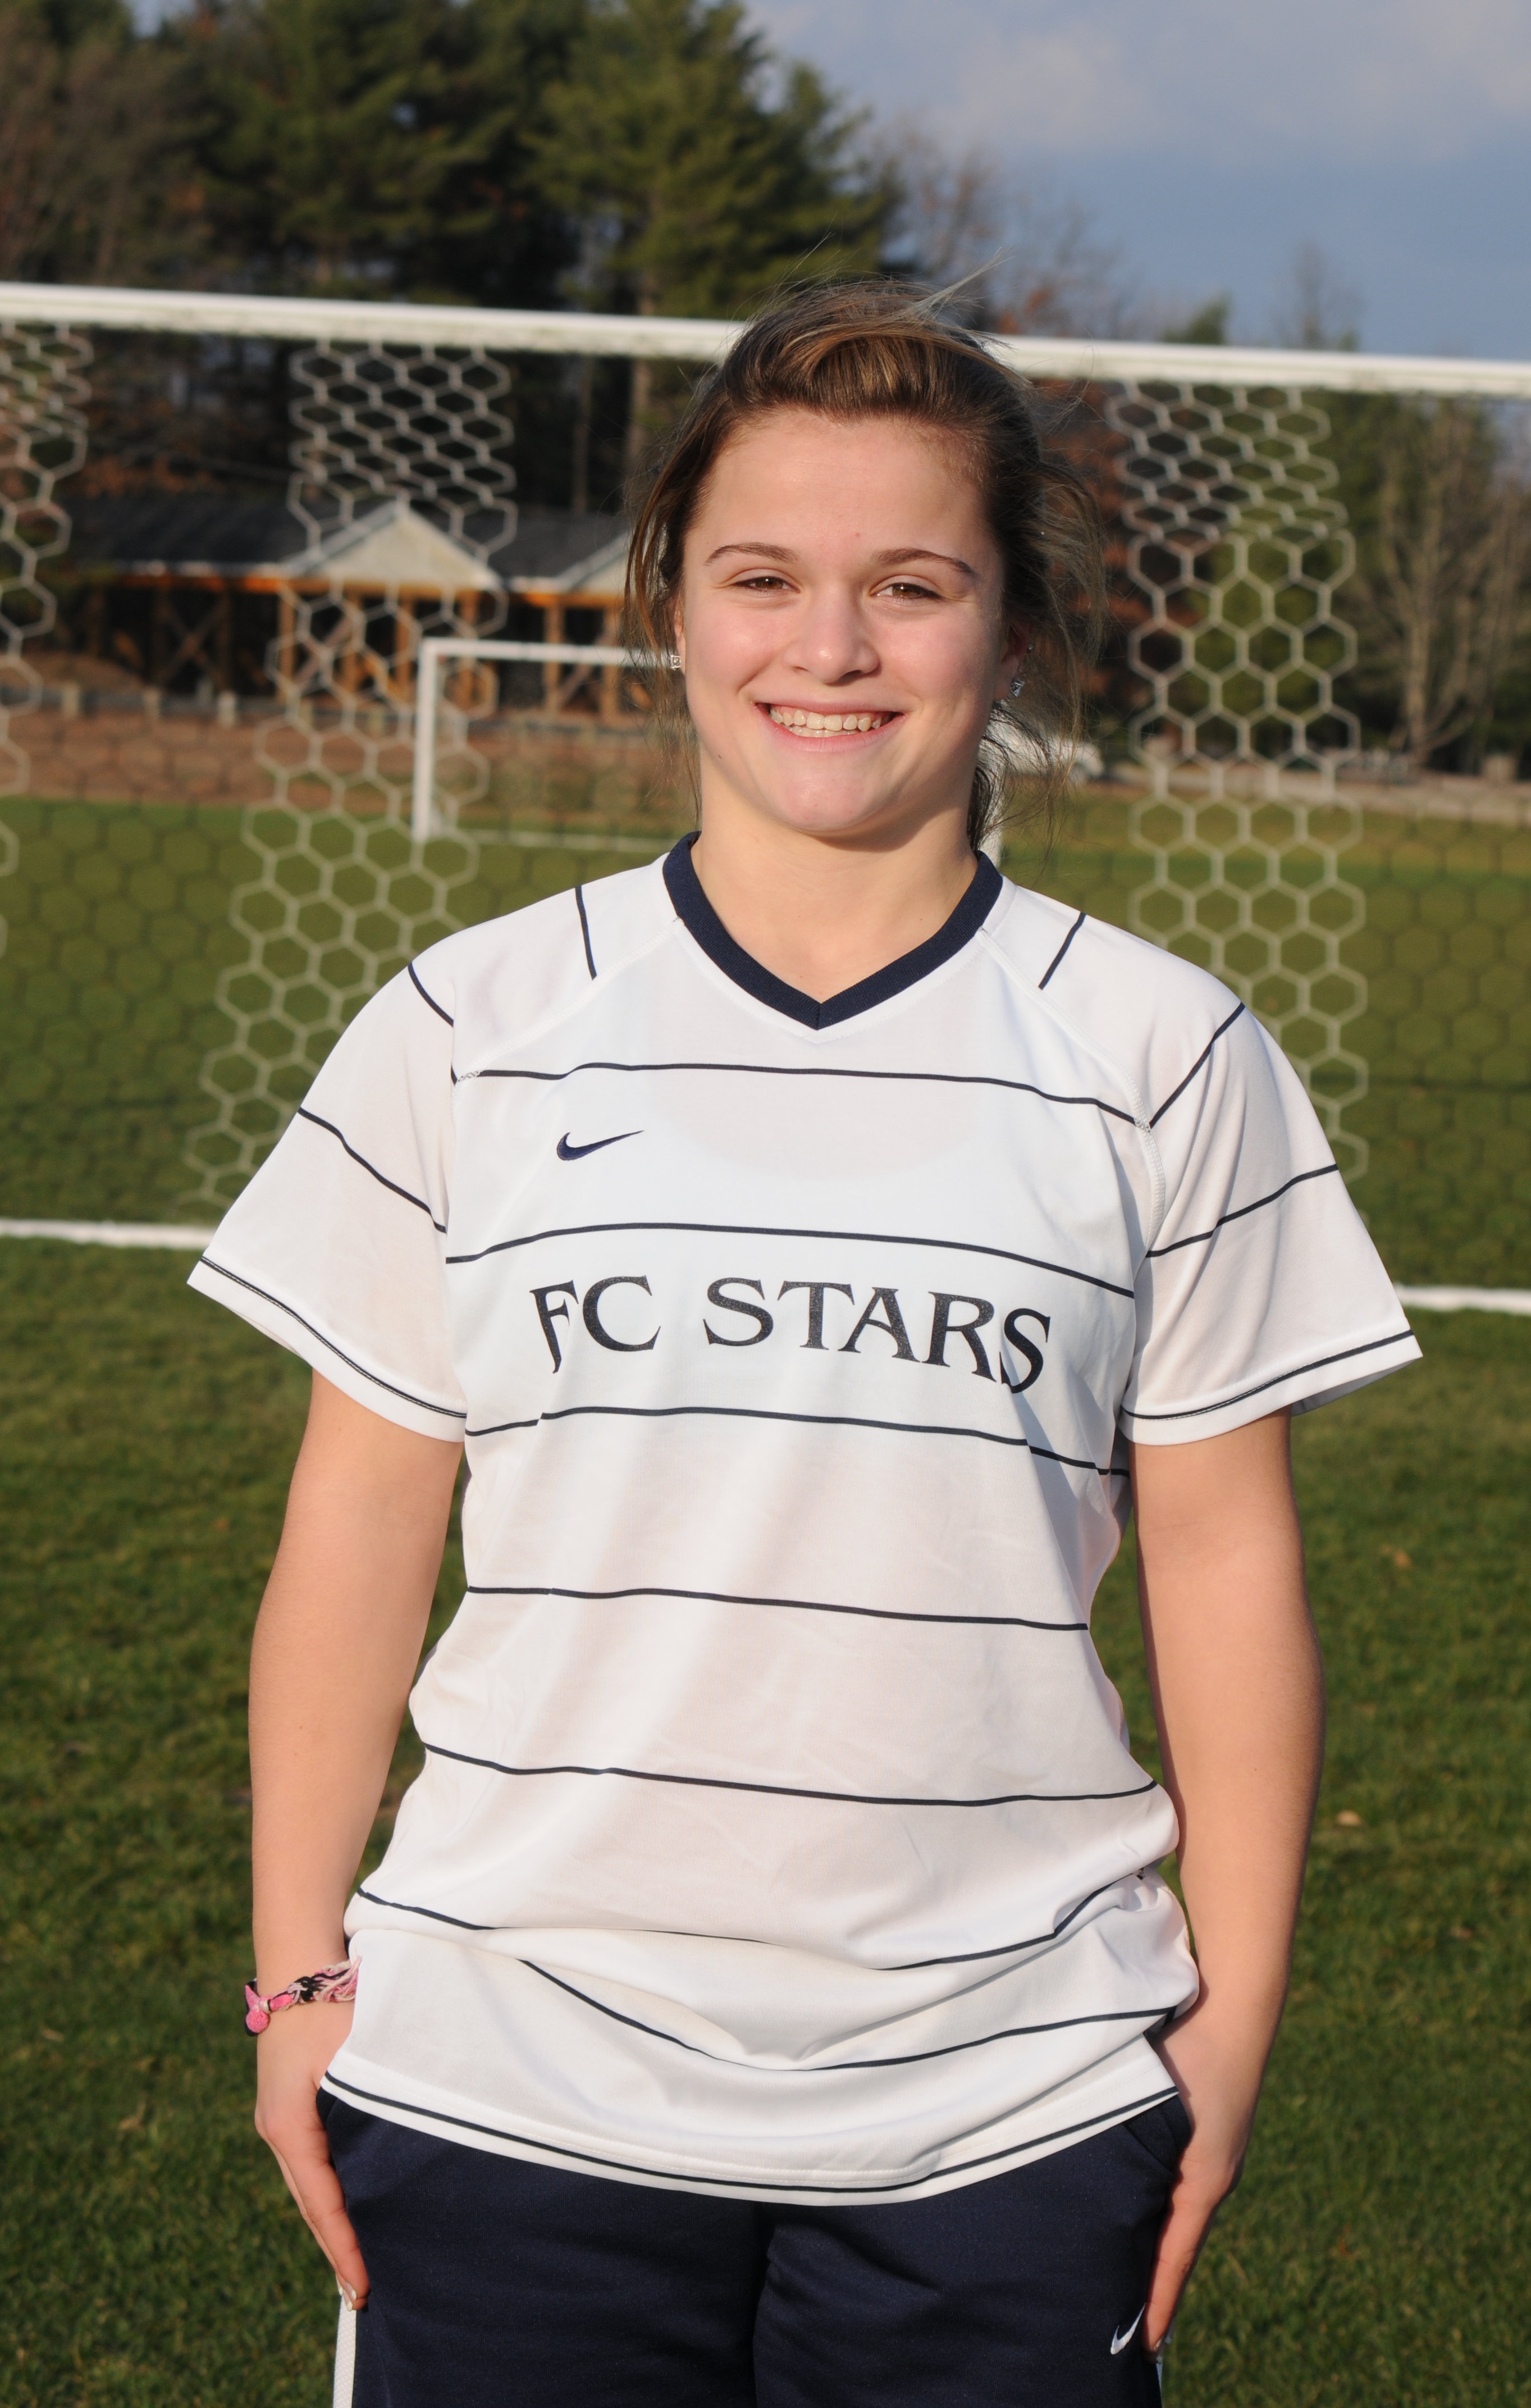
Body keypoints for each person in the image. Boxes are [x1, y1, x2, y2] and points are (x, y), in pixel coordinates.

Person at [192, 285, 1419, 2407]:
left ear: (1008, 634)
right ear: (673, 603)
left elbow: (1229, 1565)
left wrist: (1226, 2038)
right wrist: (299, 1976)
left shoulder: (1165, 1054)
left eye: (911, 586)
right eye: (763, 578)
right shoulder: (469, 1025)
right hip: (507, 2075)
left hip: (1015, 2096)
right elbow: (361, 1523)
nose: (830, 647)